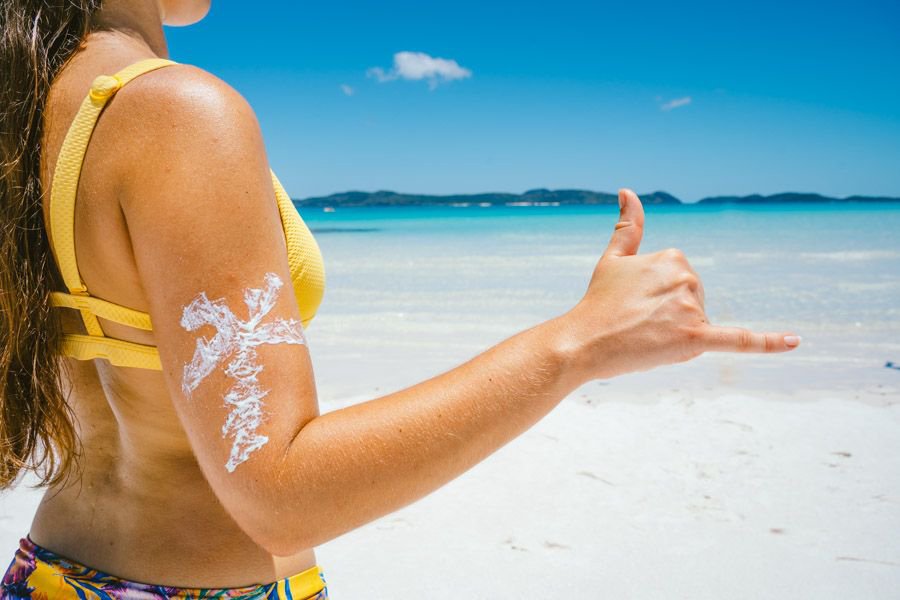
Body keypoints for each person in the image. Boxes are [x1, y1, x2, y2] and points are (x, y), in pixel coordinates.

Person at [0, 0, 801, 597]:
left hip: (53, 574)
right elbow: (276, 494)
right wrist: (581, 342)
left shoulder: (26, 109)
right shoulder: (172, 112)